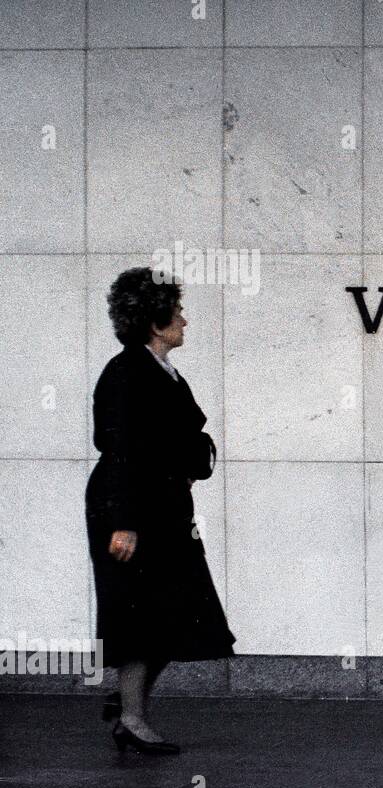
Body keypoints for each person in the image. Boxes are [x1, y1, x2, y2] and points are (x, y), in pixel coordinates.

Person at [85, 267, 236, 756]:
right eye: (178, 313)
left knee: (178, 613)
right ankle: (131, 716)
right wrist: (124, 522)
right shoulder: (126, 372)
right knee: (139, 615)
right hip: (131, 510)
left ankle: (128, 704)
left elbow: (181, 438)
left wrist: (190, 463)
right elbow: (120, 447)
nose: (185, 321)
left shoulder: (162, 372)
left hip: (165, 509)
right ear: (155, 321)